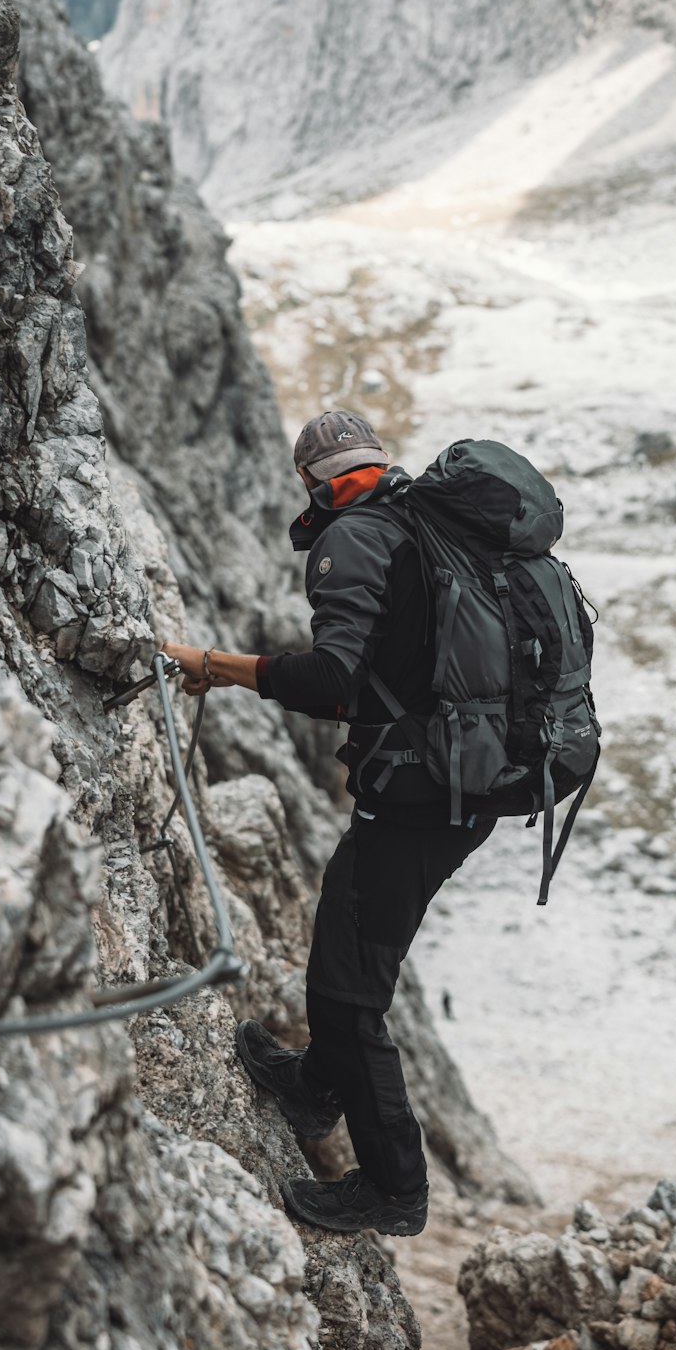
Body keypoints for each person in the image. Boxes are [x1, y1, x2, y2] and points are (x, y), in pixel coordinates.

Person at [163, 409, 495, 1237]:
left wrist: (216, 667)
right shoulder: (422, 523)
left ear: (313, 477)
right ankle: (315, 1087)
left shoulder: (354, 539)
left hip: (422, 793)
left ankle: (394, 1188)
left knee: (349, 994)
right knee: (346, 932)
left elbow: (332, 681)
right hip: (456, 783)